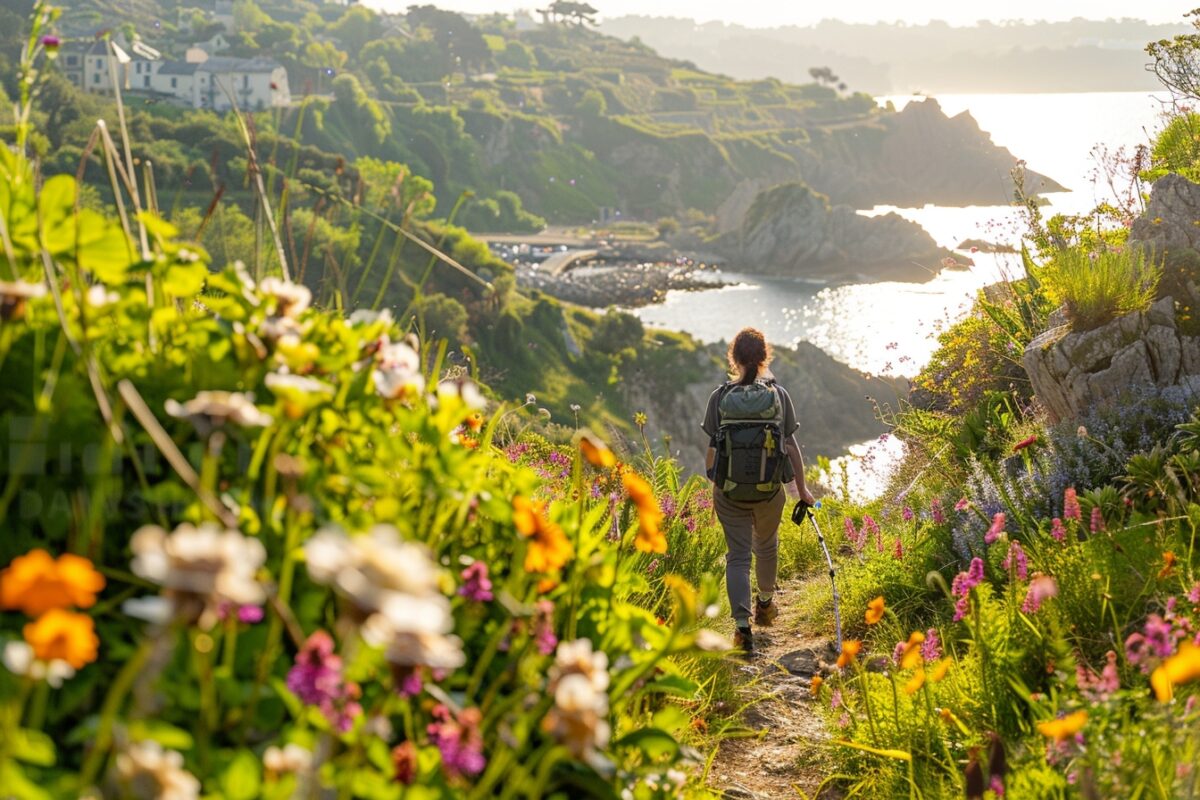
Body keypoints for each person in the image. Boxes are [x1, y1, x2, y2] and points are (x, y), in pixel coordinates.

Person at [702, 328, 815, 655]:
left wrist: (716, 486)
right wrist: (803, 490)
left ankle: (741, 628)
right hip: (769, 493)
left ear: (733, 358)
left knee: (737, 557)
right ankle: (765, 604)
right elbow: (790, 447)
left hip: (730, 494)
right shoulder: (778, 395)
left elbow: (712, 451)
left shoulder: (720, 397)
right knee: (765, 546)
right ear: (765, 357)